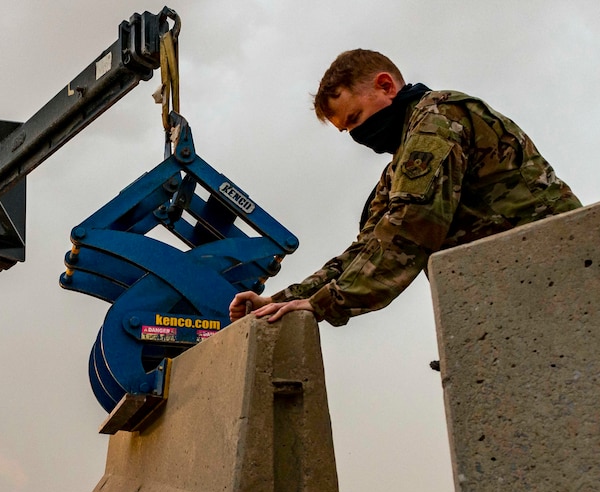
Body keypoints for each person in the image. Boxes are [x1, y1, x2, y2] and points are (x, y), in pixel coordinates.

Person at [229, 49, 581, 327]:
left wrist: (324, 304)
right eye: (347, 130)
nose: (358, 135)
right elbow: (369, 246)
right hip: (514, 287)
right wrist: (279, 301)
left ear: (386, 86)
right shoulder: (401, 162)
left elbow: (411, 229)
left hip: (562, 271)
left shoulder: (439, 120)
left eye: (355, 118)